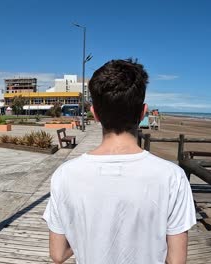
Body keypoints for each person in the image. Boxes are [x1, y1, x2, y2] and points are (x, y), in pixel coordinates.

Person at [43, 59, 196, 264]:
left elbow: (58, 254)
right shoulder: (172, 177)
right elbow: (176, 260)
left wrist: (83, 240)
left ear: (95, 113)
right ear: (143, 112)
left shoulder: (65, 174)